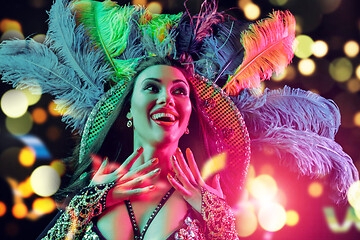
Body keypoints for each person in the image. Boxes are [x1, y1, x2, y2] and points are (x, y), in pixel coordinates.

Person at [0, 0, 358, 239]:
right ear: (128, 109)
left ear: (188, 119)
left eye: (180, 91)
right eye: (151, 88)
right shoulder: (94, 194)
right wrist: (88, 205)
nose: (165, 99)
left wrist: (217, 218)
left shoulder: (209, 201)